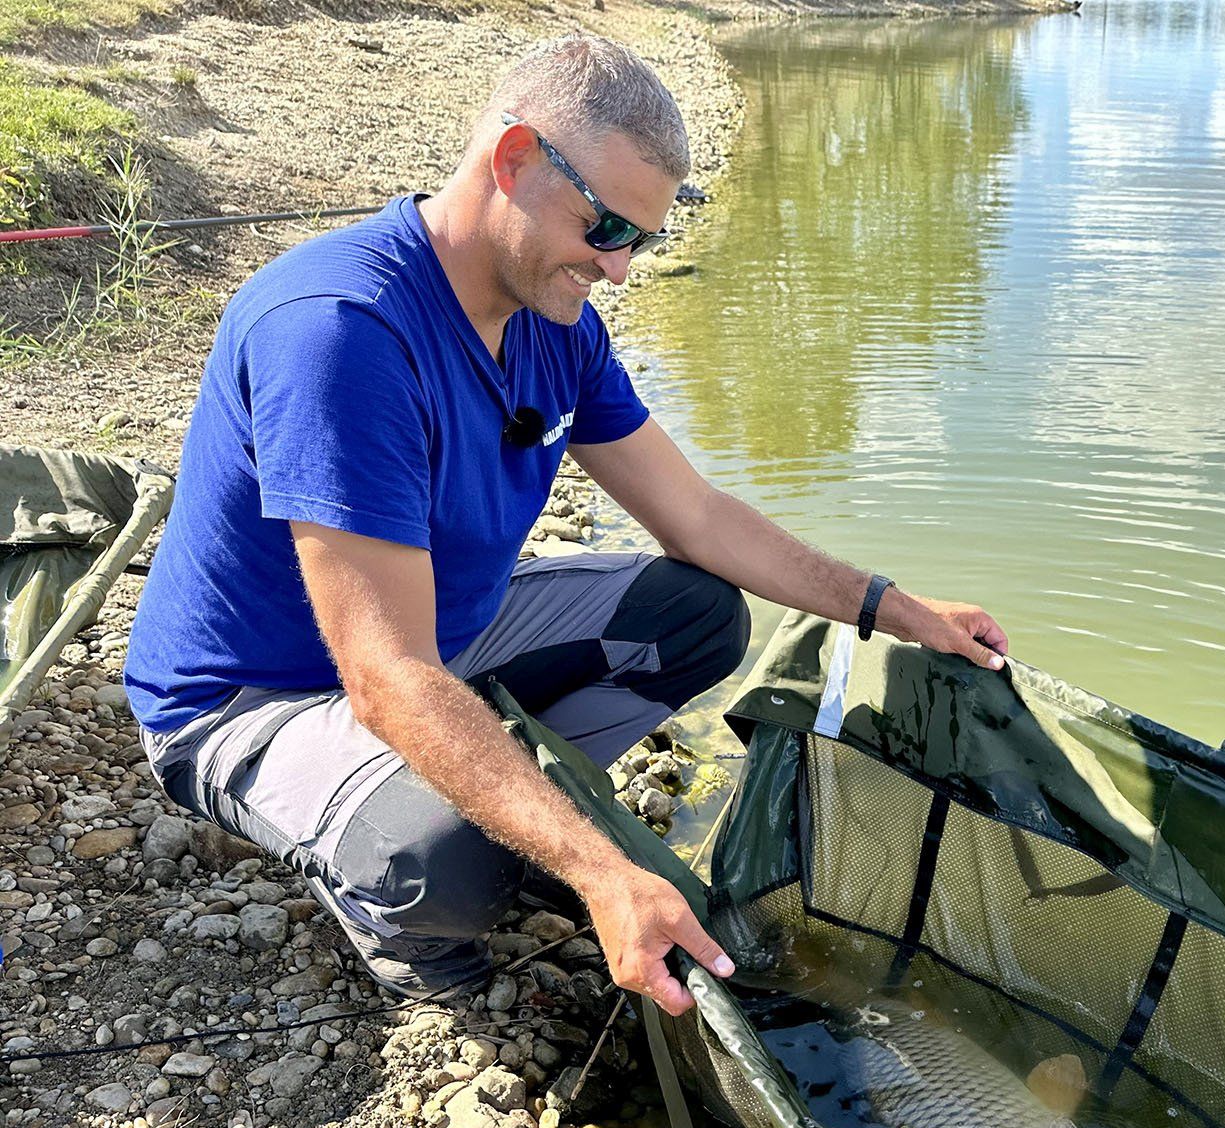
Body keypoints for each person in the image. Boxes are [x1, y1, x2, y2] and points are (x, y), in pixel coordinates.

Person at [122, 36, 1009, 1014]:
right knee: (450, 859)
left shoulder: (560, 327)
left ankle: (505, 791)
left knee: (698, 615)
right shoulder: (342, 331)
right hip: (257, 697)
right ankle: (396, 906)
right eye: (606, 226)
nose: (620, 269)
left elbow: (701, 517)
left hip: (440, 638)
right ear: (512, 160)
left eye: (645, 240)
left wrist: (890, 607)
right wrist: (596, 866)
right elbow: (384, 676)